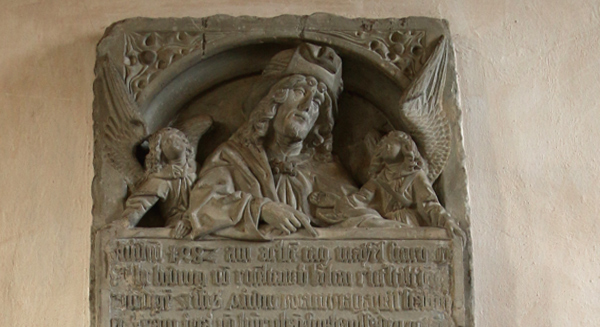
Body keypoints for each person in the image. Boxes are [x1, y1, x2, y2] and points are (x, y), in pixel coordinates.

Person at [183, 43, 381, 239]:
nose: (306, 106)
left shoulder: (328, 171)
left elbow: (363, 220)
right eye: (300, 92)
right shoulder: (232, 158)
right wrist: (262, 209)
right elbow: (202, 207)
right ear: (273, 101)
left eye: (316, 102)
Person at [358, 129, 463, 236]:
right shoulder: (379, 179)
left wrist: (446, 221)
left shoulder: (415, 175)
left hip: (408, 224)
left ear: (404, 148)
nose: (387, 147)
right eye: (384, 145)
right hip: (386, 225)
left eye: (391, 144)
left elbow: (429, 204)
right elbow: (360, 199)